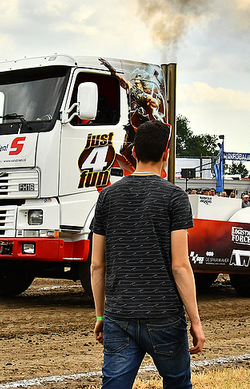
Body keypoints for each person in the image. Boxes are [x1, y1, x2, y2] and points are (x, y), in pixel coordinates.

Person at [90, 120, 205, 389]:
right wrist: (195, 321)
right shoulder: (175, 197)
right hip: (164, 317)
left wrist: (99, 317)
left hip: (119, 318)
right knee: (177, 383)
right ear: (166, 154)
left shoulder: (107, 197)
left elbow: (97, 265)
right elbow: (180, 266)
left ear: (133, 154)